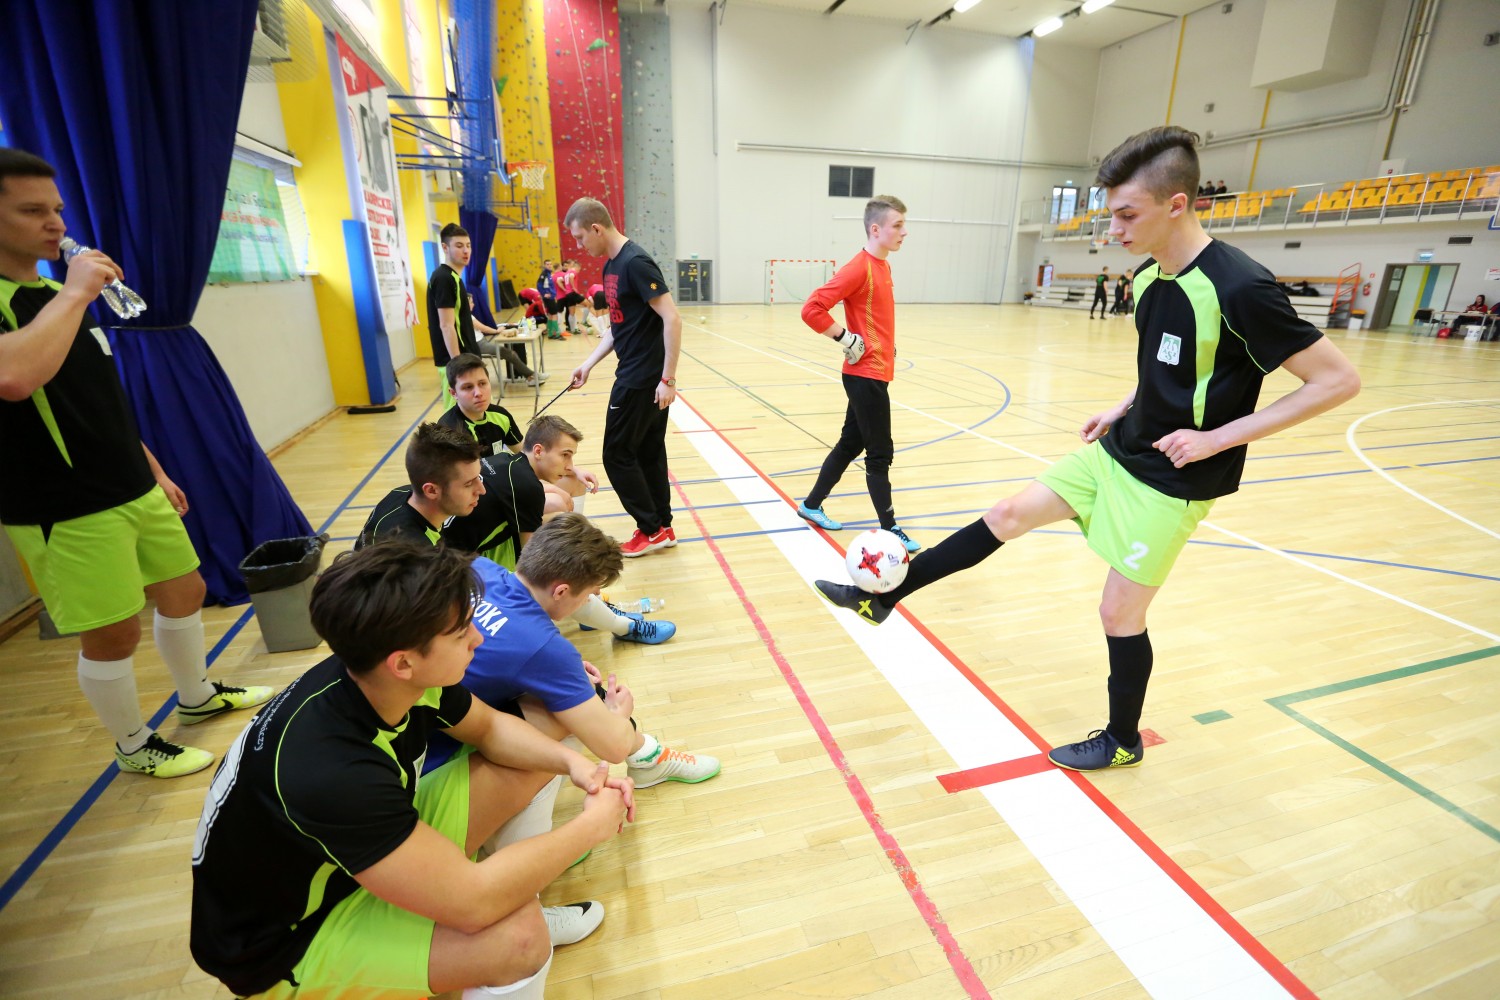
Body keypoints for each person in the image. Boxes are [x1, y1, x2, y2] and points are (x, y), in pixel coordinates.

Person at [815, 125, 1361, 772]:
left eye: (1127, 215)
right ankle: (882, 598)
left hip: (1174, 481)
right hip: (1117, 450)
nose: (1115, 229)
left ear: (1176, 204)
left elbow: (1338, 381)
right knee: (1007, 514)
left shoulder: (1241, 287)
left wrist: (1216, 438)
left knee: (1118, 614)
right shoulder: (1152, 278)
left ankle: (1123, 739)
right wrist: (1124, 406)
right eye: (1112, 214)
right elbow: (1171, 369)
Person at [189, 542, 634, 1000]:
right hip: (286, 940)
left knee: (529, 763)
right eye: (461, 634)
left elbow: (490, 728)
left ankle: (503, 895)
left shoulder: (383, 672)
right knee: (519, 939)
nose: (477, 639)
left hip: (350, 859)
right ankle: (498, 913)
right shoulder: (332, 773)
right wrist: (590, 828)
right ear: (403, 662)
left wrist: (573, 764)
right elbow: (474, 901)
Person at [0, 148, 270, 779]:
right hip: (65, 505)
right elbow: (14, 377)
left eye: (57, 209)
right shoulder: (56, 299)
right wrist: (75, 293)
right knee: (114, 631)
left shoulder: (58, 296)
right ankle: (132, 744)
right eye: (33, 211)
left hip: (130, 486)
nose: (55, 223)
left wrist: (154, 470)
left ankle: (196, 696)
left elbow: (102, 402)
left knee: (186, 590)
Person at [427, 515, 717, 790]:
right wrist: (618, 714)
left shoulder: (478, 567)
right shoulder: (544, 646)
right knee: (580, 710)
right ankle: (648, 759)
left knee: (568, 691)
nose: (587, 602)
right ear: (561, 591)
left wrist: (561, 674)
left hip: (431, 717)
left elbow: (500, 651)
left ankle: (647, 756)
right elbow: (613, 749)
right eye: (589, 594)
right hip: (433, 759)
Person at [446, 415, 676, 645]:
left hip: (463, 551)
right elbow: (535, 565)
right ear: (538, 451)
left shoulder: (507, 460)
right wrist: (583, 578)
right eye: (565, 455)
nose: (569, 464)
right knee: (561, 575)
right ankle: (623, 627)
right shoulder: (526, 487)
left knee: (562, 513)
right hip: (464, 574)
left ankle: (592, 609)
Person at [793, 196, 921, 554]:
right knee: (879, 454)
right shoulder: (859, 267)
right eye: (898, 225)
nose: (904, 232)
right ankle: (890, 528)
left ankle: (811, 505)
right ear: (875, 229)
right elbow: (812, 308)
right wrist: (844, 337)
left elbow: (874, 317)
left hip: (874, 373)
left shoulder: (883, 266)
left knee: (851, 444)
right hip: (865, 376)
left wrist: (885, 345)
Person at [565, 197, 682, 558]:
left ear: (596, 228)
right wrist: (588, 364)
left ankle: (650, 528)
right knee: (648, 452)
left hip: (641, 379)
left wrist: (668, 379)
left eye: (581, 237)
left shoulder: (635, 263)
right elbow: (619, 327)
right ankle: (661, 527)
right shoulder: (612, 267)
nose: (580, 246)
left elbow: (672, 318)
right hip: (636, 374)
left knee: (616, 454)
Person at [356, 423, 486, 549]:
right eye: (468, 484)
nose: (482, 490)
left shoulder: (399, 493)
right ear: (431, 490)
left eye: (478, 477)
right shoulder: (415, 554)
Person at [438, 353, 525, 457]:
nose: (478, 393)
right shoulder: (450, 431)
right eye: (468, 387)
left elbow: (524, 456)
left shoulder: (501, 415)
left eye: (482, 383)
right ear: (453, 393)